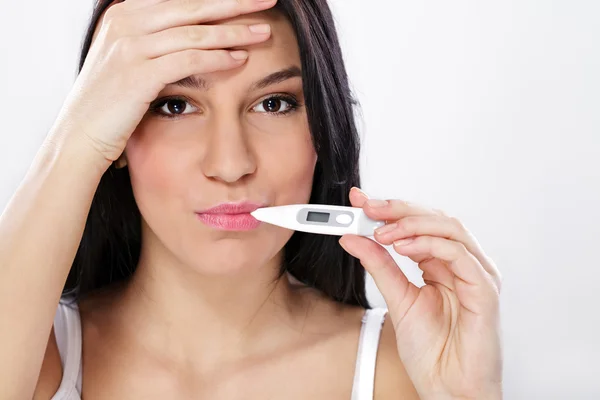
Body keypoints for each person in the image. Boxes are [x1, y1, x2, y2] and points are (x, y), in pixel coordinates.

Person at [0, 0, 503, 398]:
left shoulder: (403, 371)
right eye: (175, 105)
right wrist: (76, 137)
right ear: (116, 135)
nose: (230, 162)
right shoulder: (43, 358)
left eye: (274, 103)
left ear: (323, 130)